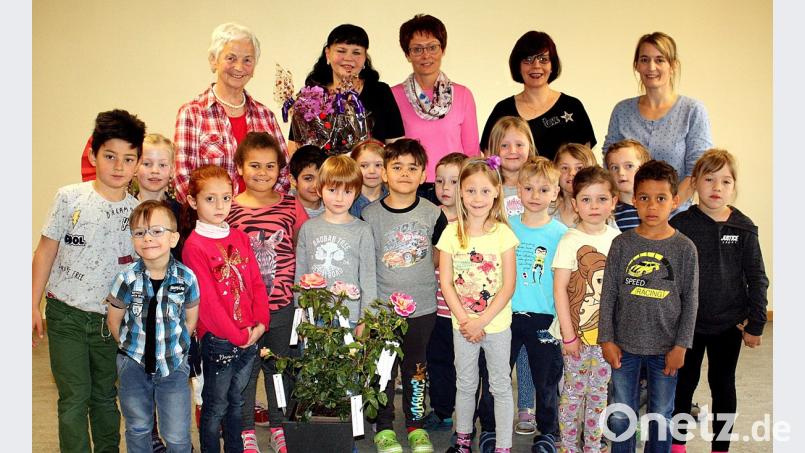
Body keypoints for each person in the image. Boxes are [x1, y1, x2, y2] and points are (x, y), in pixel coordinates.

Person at [32, 109, 145, 453]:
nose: (118, 166)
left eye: (128, 159)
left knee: (104, 397)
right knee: (73, 398)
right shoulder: (69, 198)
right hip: (66, 317)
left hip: (112, 323)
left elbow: (141, 272)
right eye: (110, 156)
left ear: (138, 163)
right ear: (94, 154)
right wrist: (31, 304)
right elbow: (45, 252)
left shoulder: (137, 212)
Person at [669, 149, 769, 453]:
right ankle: (677, 444)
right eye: (709, 179)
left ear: (734, 186)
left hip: (729, 323)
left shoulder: (744, 227)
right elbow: (669, 276)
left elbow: (757, 277)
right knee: (684, 385)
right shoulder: (682, 225)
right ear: (695, 182)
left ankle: (720, 447)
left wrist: (757, 323)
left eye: (725, 181)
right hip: (689, 324)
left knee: (723, 384)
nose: (716, 187)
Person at [598, 160, 699, 453]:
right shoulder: (622, 244)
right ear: (634, 200)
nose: (652, 206)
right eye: (644, 198)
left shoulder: (684, 249)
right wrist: (606, 338)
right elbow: (609, 294)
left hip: (666, 349)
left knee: (661, 417)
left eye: (661, 198)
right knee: (620, 416)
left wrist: (681, 346)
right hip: (623, 347)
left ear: (675, 201)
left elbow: (691, 300)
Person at [361, 138, 448, 453]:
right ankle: (384, 427)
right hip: (383, 312)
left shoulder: (433, 214)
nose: (405, 174)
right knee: (383, 369)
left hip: (423, 310)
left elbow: (439, 256)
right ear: (384, 173)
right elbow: (367, 263)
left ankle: (415, 425)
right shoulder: (370, 216)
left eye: (413, 168)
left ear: (423, 173)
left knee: (416, 369)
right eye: (397, 167)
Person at [225, 133, 308, 453]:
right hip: (243, 309)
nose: (262, 172)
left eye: (270, 166)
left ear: (280, 170)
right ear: (240, 169)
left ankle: (278, 426)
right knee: (245, 371)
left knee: (280, 370)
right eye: (254, 165)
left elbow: (300, 244)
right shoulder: (230, 209)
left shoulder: (290, 204)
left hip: (283, 306)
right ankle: (246, 430)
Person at [181, 165, 270, 452]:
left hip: (249, 335)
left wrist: (261, 322)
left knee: (238, 403)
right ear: (193, 201)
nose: (220, 206)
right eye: (210, 199)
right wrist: (237, 335)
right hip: (220, 341)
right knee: (215, 406)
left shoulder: (240, 237)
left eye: (226, 198)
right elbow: (207, 303)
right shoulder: (194, 246)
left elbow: (256, 282)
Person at [436, 156, 519, 453]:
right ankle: (462, 440)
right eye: (470, 190)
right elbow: (446, 282)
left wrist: (481, 321)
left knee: (499, 386)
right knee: (466, 384)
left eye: (485, 191)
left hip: (495, 326)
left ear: (497, 191)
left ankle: (503, 446)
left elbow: (508, 285)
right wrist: (465, 320)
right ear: (461, 193)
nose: (478, 198)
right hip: (463, 326)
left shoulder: (503, 235)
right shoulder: (450, 234)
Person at [106, 200, 199, 453]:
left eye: (157, 231)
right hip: (133, 365)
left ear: (173, 238)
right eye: (139, 232)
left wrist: (176, 349)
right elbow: (114, 321)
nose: (147, 238)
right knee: (138, 428)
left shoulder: (187, 278)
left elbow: (190, 320)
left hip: (173, 366)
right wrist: (131, 351)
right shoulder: (125, 279)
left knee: (177, 435)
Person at [174, 22, 291, 203]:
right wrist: (222, 214)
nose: (239, 67)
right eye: (231, 58)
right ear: (214, 60)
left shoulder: (265, 116)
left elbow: (283, 174)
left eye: (247, 60)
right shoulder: (192, 114)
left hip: (260, 222)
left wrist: (261, 212)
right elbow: (183, 182)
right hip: (213, 226)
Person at [602, 31, 713, 214]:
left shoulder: (692, 110)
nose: (651, 67)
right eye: (645, 60)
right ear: (636, 65)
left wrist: (665, 210)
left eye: (660, 60)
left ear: (673, 65)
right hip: (627, 217)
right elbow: (609, 163)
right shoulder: (622, 110)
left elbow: (697, 170)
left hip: (676, 218)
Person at [553, 166, 621, 452]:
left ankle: (592, 445)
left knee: (598, 394)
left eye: (602, 199)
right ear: (574, 204)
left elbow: (620, 291)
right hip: (576, 336)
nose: (594, 206)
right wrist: (568, 336)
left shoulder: (618, 239)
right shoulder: (570, 240)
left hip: (605, 336)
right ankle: (569, 446)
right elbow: (559, 289)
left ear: (614, 201)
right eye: (586, 199)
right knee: (573, 393)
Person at [506, 157, 566, 450]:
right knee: (496, 377)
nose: (535, 196)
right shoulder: (506, 227)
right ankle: (492, 427)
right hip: (507, 314)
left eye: (544, 190)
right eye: (528, 188)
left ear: (555, 192)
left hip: (545, 318)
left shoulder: (561, 234)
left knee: (546, 381)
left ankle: (548, 432)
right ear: (518, 189)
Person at [391, 14, 479, 199]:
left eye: (432, 47)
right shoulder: (393, 96)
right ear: (407, 54)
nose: (426, 55)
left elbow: (472, 153)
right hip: (409, 189)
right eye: (417, 49)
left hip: (453, 190)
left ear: (443, 49)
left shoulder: (462, 95)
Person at [480, 31, 596, 162]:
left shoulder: (572, 106)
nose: (536, 66)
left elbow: (587, 162)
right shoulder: (503, 109)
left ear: (552, 65)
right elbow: (490, 161)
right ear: (518, 66)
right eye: (528, 60)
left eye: (543, 59)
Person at [296, 154, 377, 330]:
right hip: (313, 316)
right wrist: (299, 312)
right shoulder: (308, 228)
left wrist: (366, 319)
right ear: (319, 190)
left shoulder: (363, 230)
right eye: (332, 190)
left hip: (351, 317)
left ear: (356, 193)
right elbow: (300, 275)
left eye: (347, 191)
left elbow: (368, 280)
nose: (339, 198)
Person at [294, 23, 404, 145]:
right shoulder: (311, 96)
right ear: (327, 53)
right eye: (341, 51)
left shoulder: (380, 92)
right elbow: (295, 148)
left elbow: (396, 147)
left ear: (364, 57)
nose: (348, 58)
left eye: (356, 52)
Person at [421, 152, 466, 433]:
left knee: (468, 368)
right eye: (440, 181)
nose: (446, 188)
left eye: (454, 181)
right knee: (438, 363)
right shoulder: (428, 215)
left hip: (465, 311)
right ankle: (442, 411)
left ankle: (467, 416)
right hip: (435, 308)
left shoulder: (473, 221)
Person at [486, 116, 538, 217]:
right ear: (494, 148)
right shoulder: (487, 187)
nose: (512, 151)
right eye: (504, 145)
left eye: (519, 145)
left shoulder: (541, 185)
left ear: (530, 148)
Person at [604, 139, 651, 232]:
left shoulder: (656, 207)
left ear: (645, 168)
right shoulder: (608, 212)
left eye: (629, 166)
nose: (621, 173)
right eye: (614, 168)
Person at [550, 143, 598, 227]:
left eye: (579, 168)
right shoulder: (546, 210)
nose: (572, 173)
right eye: (565, 168)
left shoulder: (599, 211)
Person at [349, 139, 388, 218]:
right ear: (354, 167)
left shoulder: (392, 198)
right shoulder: (347, 200)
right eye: (364, 166)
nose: (372, 171)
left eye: (378, 165)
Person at [289, 144, 328, 218]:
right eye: (308, 178)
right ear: (293, 180)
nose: (316, 185)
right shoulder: (282, 209)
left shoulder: (333, 206)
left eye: (321, 178)